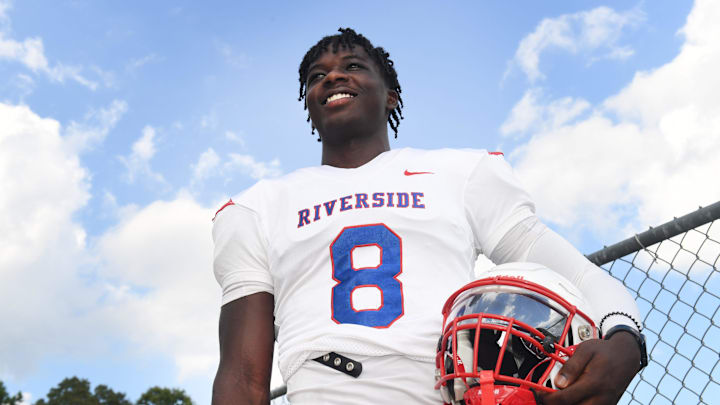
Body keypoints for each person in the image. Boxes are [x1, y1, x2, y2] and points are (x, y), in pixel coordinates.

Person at [211, 28, 645, 405]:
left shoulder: (461, 174)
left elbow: (583, 278)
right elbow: (242, 376)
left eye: (354, 66)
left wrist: (625, 343)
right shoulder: (258, 207)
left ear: (391, 95)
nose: (333, 77)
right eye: (316, 76)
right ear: (308, 103)